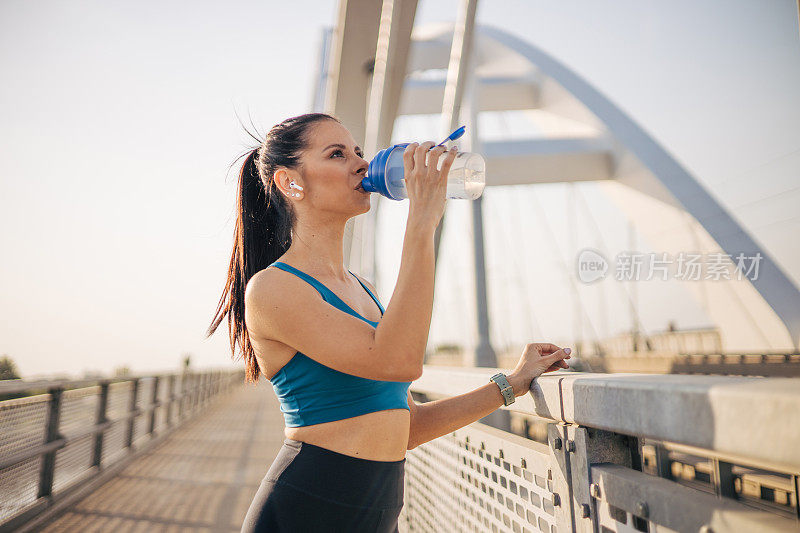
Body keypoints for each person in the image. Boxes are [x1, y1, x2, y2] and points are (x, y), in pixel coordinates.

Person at [207, 112, 571, 532]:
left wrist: (513, 382)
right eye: (337, 154)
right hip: (307, 512)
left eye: (359, 151)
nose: (361, 163)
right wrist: (422, 221)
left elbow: (405, 424)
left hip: (379, 516)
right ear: (291, 183)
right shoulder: (272, 290)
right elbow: (399, 361)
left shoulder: (361, 289)